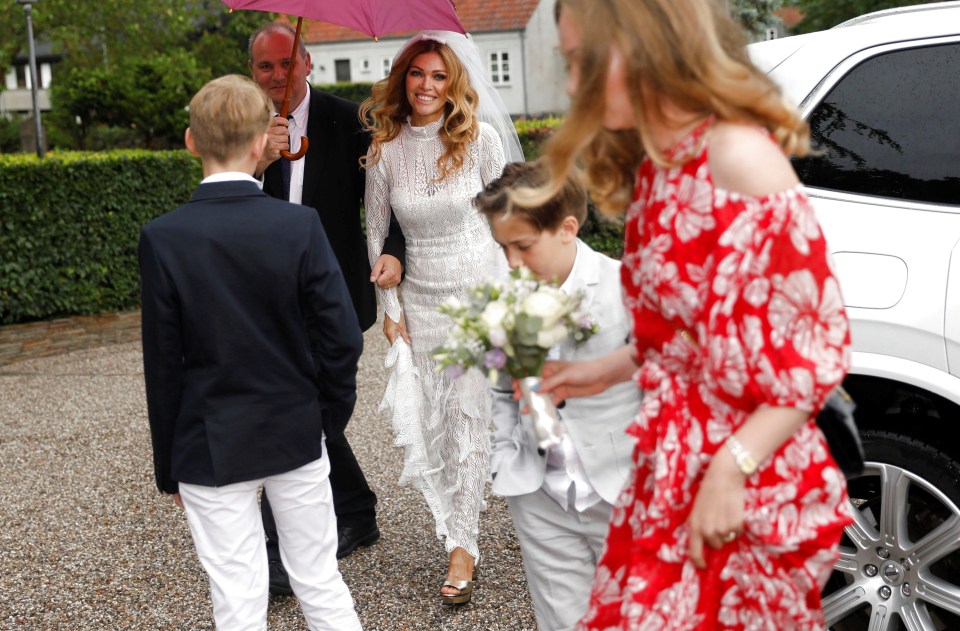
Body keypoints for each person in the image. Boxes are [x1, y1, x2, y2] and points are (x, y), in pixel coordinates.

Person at [525, 1, 855, 628]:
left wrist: (731, 469)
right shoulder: (662, 164)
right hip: (674, 467)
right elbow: (690, 335)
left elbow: (816, 356)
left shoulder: (738, 158)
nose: (573, 86)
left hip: (742, 484)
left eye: (583, 62)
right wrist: (603, 371)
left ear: (651, 44)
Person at [139, 74, 362, 630]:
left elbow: (163, 364)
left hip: (207, 442)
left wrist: (170, 466)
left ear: (191, 141)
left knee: (237, 595)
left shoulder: (165, 238)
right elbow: (341, 338)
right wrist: (326, 419)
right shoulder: (299, 225)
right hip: (294, 426)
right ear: (266, 141)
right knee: (319, 578)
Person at [360, 30, 523, 606]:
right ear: (403, 80)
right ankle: (465, 520)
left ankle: (464, 546)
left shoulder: (477, 139)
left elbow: (508, 219)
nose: (426, 86)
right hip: (421, 299)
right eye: (416, 74)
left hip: (478, 292)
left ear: (453, 83)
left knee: (467, 418)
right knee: (435, 421)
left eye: (437, 76)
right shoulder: (384, 149)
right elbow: (377, 234)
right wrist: (389, 308)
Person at [248, 22, 403, 593]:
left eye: (286, 63)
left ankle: (276, 556)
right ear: (253, 74)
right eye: (265, 67)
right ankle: (357, 509)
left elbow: (395, 200)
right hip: (266, 297)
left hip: (334, 290)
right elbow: (228, 194)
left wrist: (393, 254)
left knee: (300, 405)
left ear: (308, 62)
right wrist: (261, 158)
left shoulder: (349, 120)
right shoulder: (246, 123)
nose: (277, 76)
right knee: (303, 406)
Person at [475, 160, 640, 630]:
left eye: (523, 246)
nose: (511, 262)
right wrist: (504, 457)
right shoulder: (500, 295)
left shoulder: (624, 287)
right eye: (503, 247)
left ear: (567, 228)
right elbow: (502, 392)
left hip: (623, 493)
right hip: (540, 495)